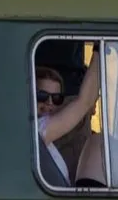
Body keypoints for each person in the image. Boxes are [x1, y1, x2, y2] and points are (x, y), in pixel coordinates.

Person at [35, 55, 101, 187]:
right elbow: (85, 102)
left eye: (56, 98)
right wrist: (98, 50)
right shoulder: (36, 129)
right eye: (42, 96)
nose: (49, 103)